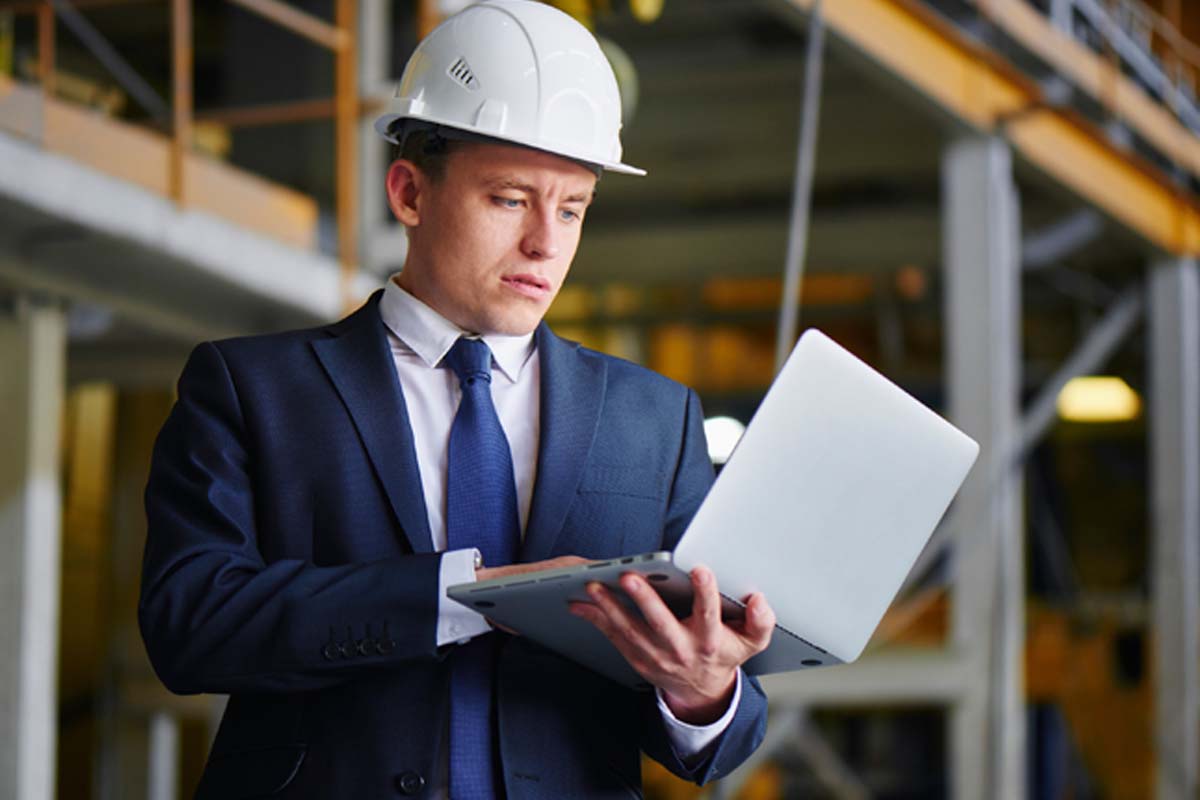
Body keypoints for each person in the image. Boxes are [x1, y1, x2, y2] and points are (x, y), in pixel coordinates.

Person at [139, 2, 775, 797]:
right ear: (408, 192)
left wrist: (702, 691)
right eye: (510, 199)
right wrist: (460, 597)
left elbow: (725, 736)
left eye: (571, 208)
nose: (546, 242)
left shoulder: (655, 419)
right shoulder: (256, 390)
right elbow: (191, 626)